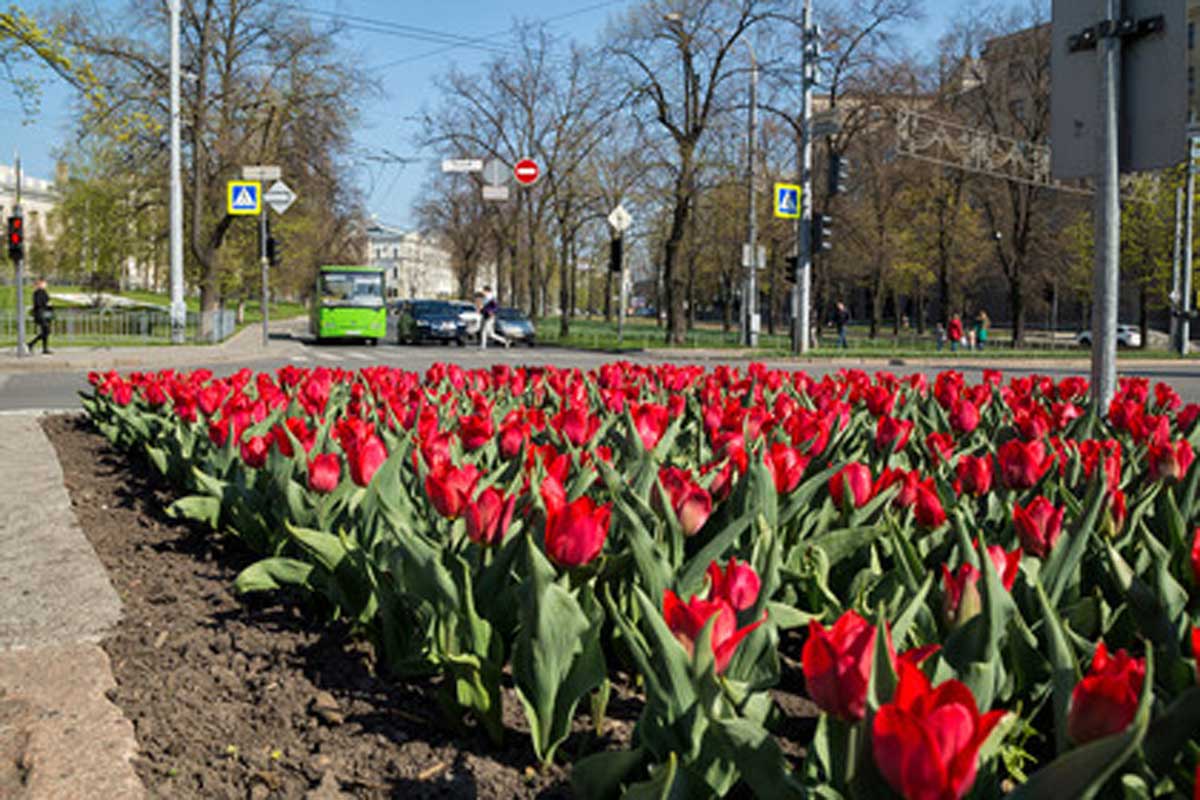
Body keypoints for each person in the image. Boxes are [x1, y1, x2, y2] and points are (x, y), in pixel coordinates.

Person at [478, 286, 508, 350]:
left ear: (487, 291)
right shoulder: (485, 298)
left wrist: (491, 311)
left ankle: (483, 346)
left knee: (484, 331)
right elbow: (484, 308)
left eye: (484, 291)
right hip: (485, 316)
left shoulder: (491, 298)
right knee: (491, 334)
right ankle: (504, 341)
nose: (483, 292)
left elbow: (496, 307)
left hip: (490, 317)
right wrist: (481, 310)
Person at [28, 279, 52, 355]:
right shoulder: (37, 293)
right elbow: (38, 303)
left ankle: (44, 348)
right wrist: (46, 304)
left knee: (45, 331)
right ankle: (31, 343)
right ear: (40, 284)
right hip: (39, 314)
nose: (46, 285)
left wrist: (49, 307)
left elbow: (48, 301)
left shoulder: (44, 292)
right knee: (47, 330)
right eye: (44, 283)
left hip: (45, 313)